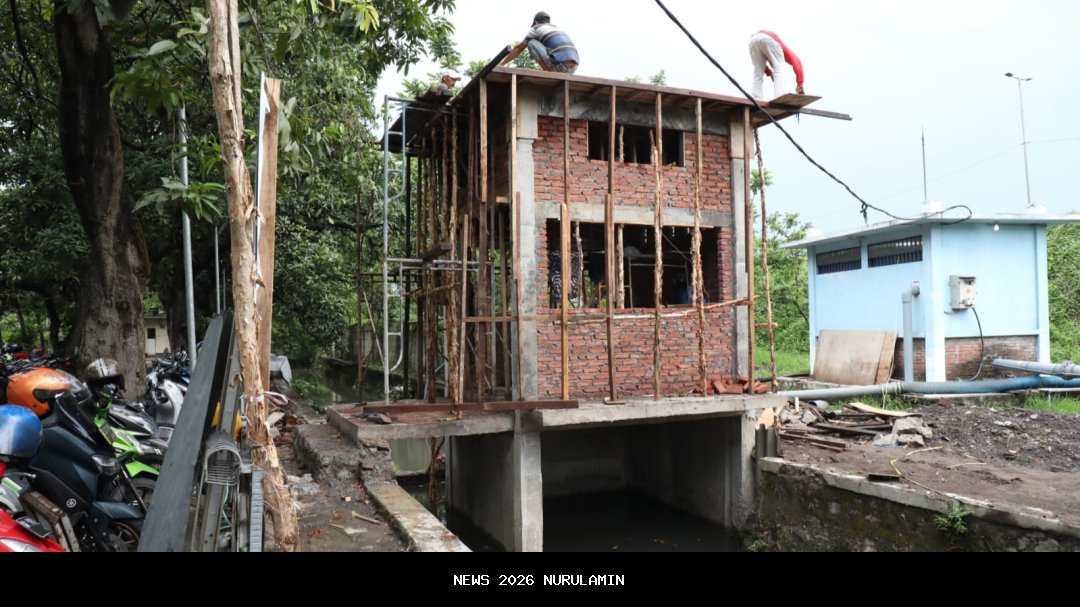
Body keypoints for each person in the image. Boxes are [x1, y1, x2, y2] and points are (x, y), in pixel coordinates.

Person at [501, 11, 579, 74]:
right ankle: (551, 70)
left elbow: (518, 49)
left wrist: (502, 64)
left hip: (560, 66)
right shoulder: (557, 29)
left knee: (531, 42)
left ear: (536, 22)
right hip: (573, 68)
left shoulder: (536, 27)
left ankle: (547, 73)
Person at [748, 30, 804, 100]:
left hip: (753, 40)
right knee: (779, 68)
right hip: (768, 38)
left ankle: (756, 98)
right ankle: (779, 96)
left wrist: (770, 73)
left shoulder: (768, 52)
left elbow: (762, 65)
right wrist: (800, 84)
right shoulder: (785, 51)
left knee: (758, 71)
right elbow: (798, 62)